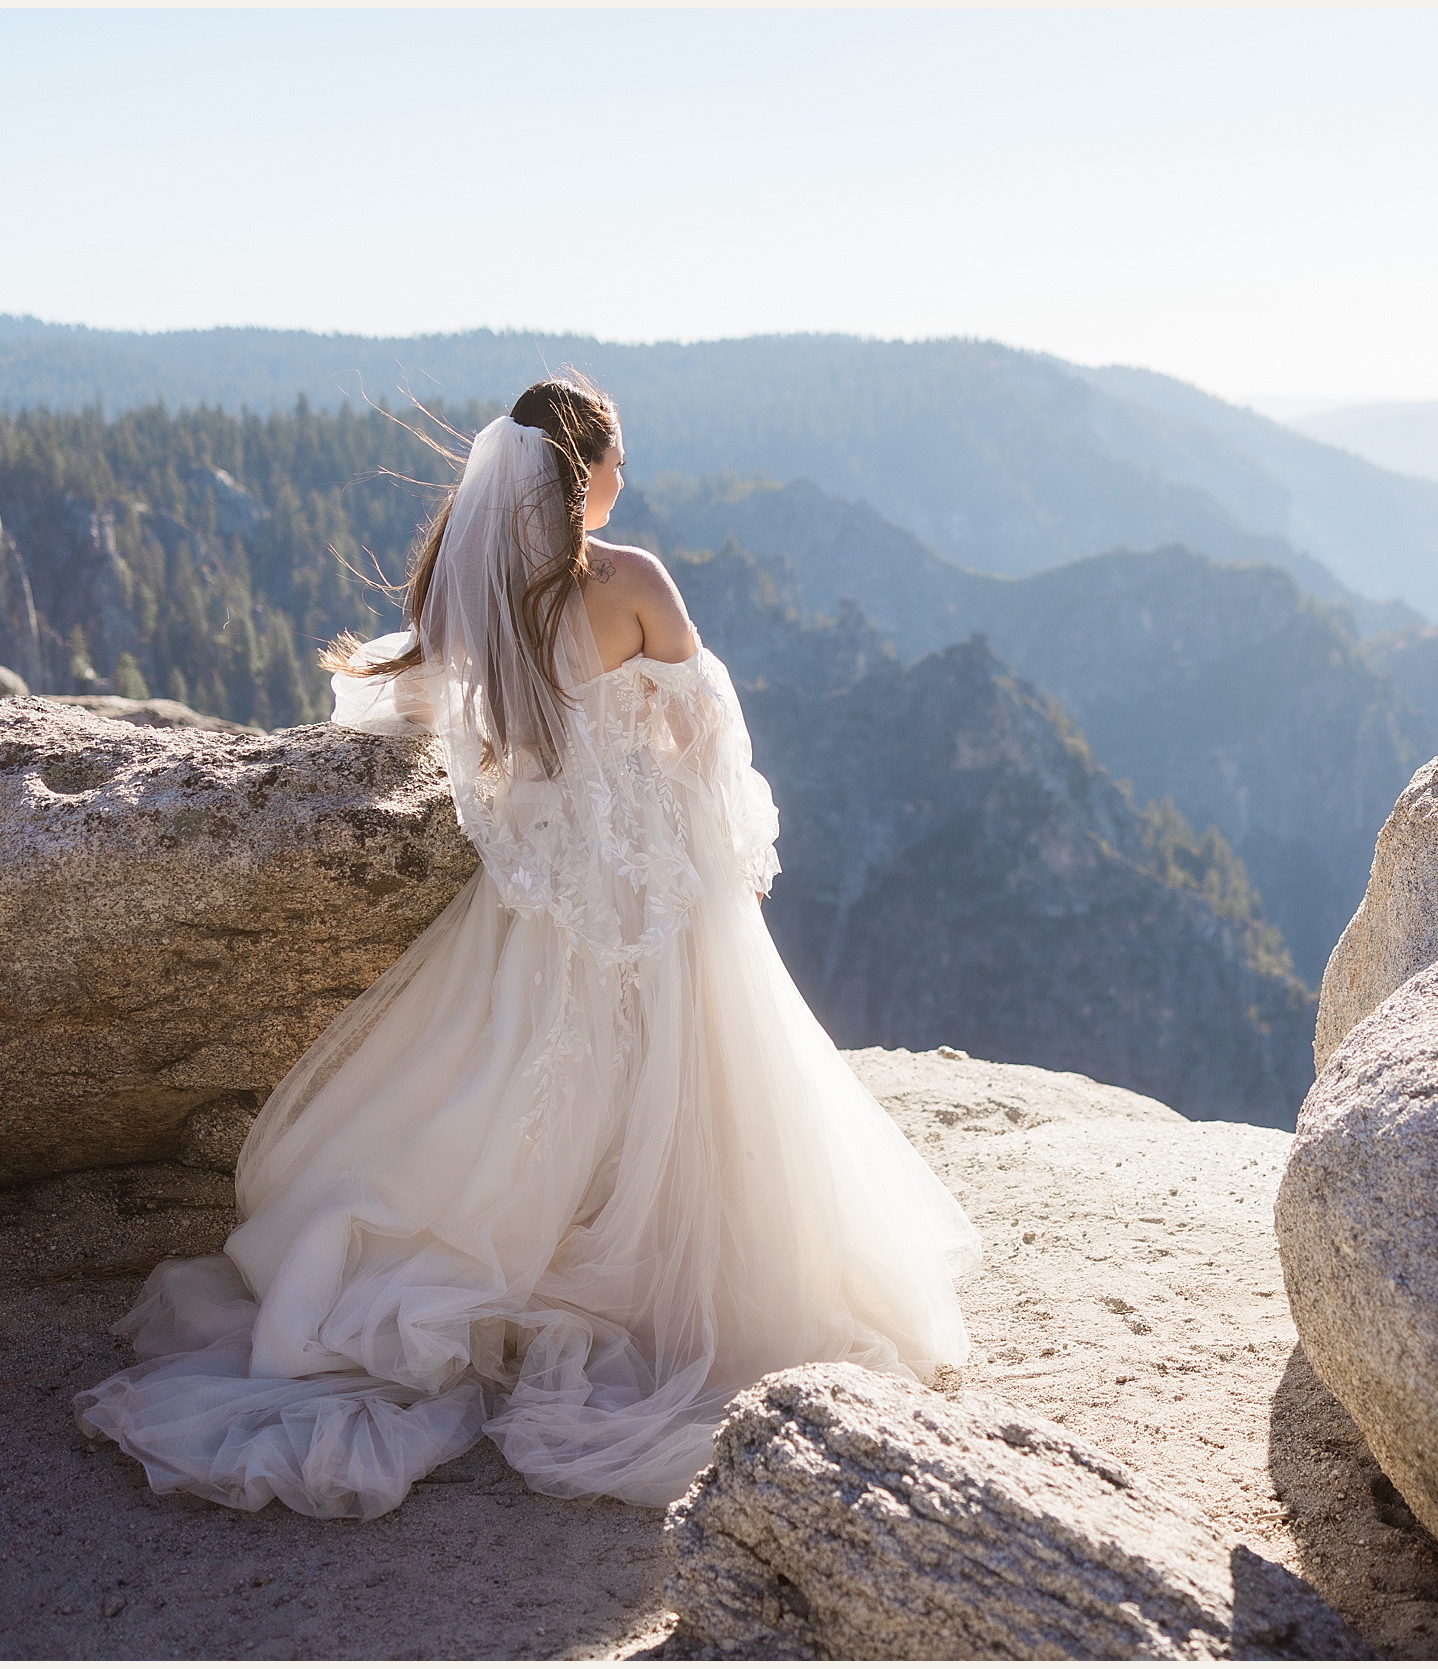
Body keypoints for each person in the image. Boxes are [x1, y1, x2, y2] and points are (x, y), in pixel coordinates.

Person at [73, 379, 981, 1519]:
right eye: (615, 462)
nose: (622, 483)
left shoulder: (482, 603)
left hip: (544, 902)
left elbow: (419, 708)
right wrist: (713, 854)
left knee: (518, 1081)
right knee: (692, 1090)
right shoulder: (635, 581)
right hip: (660, 886)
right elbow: (704, 744)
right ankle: (666, 1283)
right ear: (579, 474)